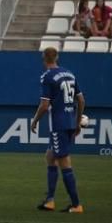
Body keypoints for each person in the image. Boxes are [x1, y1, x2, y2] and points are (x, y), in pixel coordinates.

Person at [32, 47, 85, 213]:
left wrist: (34, 120)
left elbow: (45, 104)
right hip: (69, 122)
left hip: (59, 124)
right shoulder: (69, 73)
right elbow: (81, 100)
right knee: (50, 156)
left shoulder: (47, 76)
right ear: (57, 57)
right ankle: (50, 200)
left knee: (64, 161)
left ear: (44, 59)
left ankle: (76, 204)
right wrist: (77, 121)